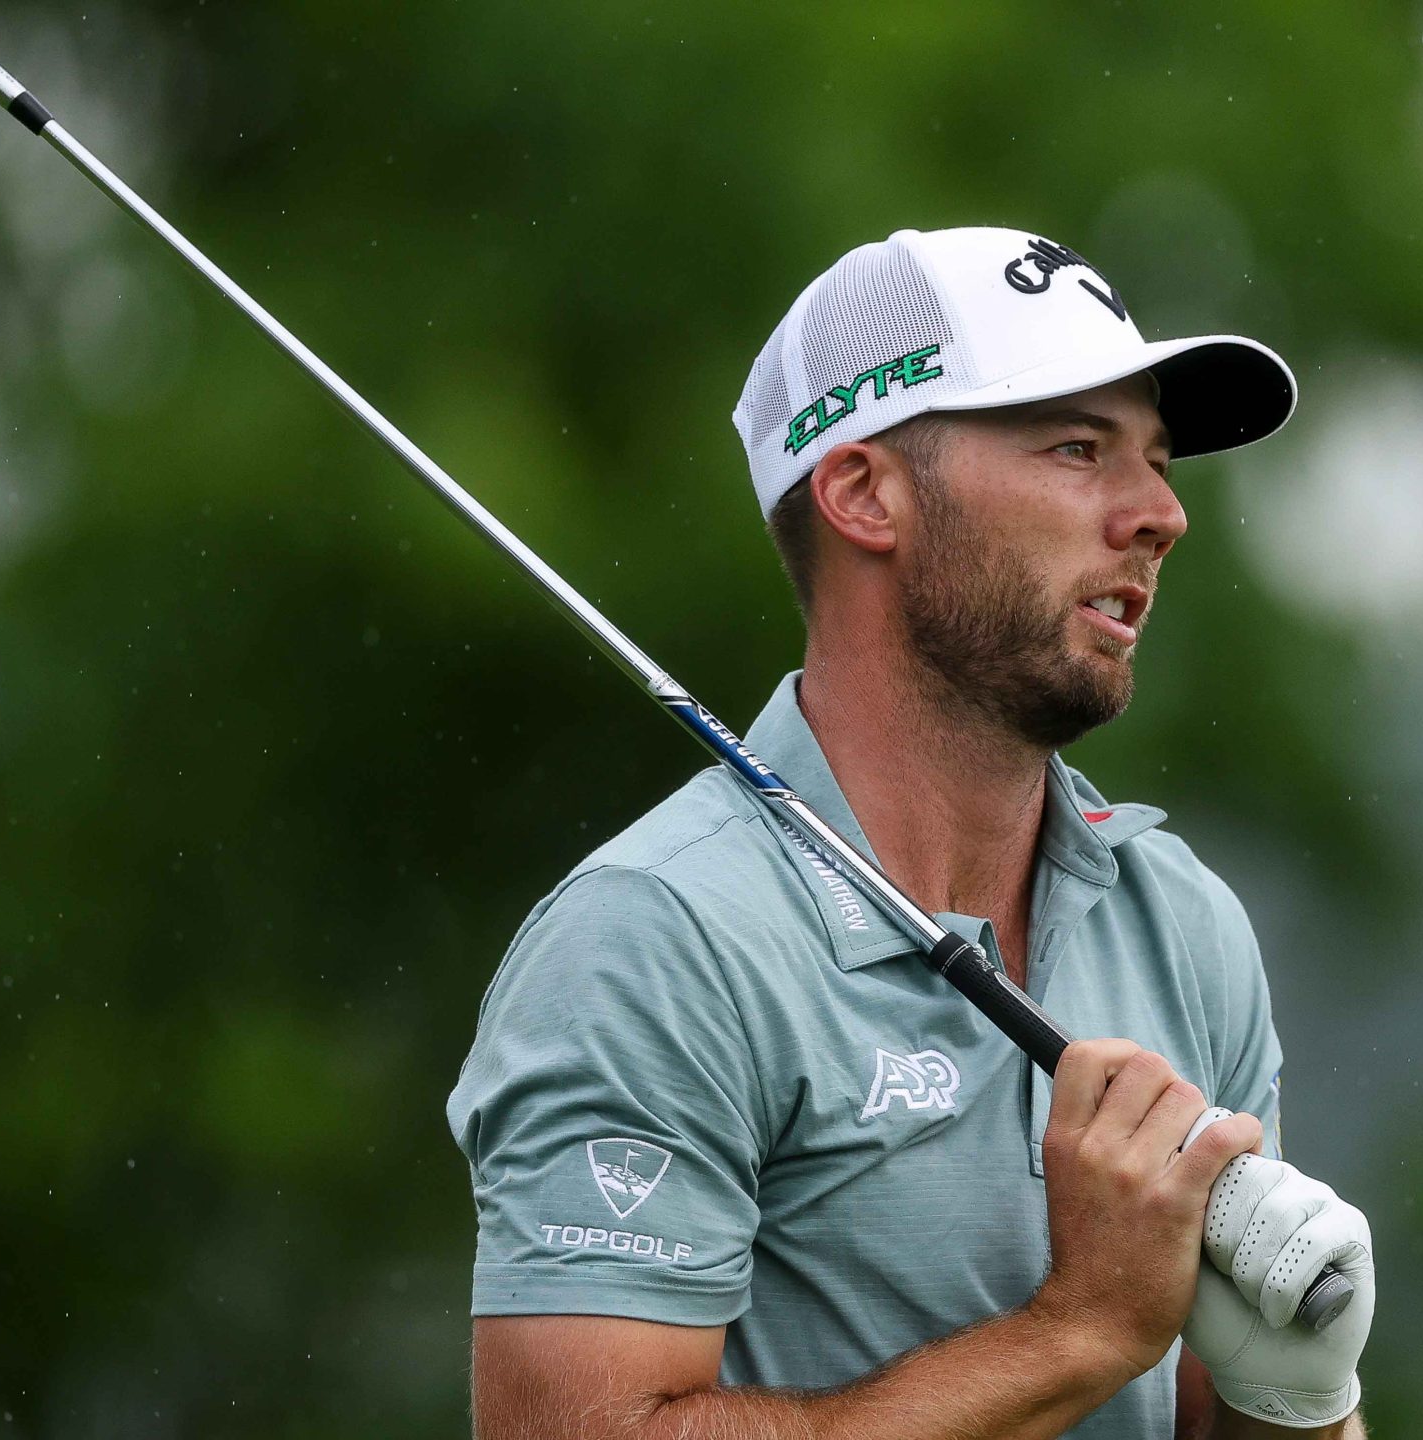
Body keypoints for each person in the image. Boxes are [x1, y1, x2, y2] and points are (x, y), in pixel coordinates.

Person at [448, 227, 1375, 1438]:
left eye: (1154, 461)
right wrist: (1078, 1335)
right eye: (1077, 448)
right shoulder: (654, 937)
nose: (1160, 515)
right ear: (863, 493)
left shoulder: (1180, 920)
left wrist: (1294, 1402)